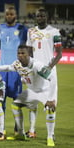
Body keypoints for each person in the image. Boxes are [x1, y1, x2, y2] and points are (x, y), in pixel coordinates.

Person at [0, 45, 57, 146]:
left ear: (29, 54)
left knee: (50, 108)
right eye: (19, 53)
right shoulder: (17, 64)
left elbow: (52, 78)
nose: (20, 55)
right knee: (15, 105)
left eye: (23, 53)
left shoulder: (37, 65)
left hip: (44, 91)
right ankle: (20, 134)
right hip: (31, 91)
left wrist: (51, 98)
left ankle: (50, 136)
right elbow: (8, 67)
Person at [26, 8, 62, 146]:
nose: (40, 17)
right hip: (35, 73)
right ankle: (31, 130)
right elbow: (29, 52)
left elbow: (59, 54)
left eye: (42, 15)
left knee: (51, 105)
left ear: (47, 17)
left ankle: (50, 136)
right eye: (38, 15)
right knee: (32, 103)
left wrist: (49, 67)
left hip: (49, 74)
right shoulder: (31, 31)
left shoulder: (54, 32)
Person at [0, 6, 28, 133]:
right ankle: (1, 128)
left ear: (16, 15)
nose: (9, 16)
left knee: (17, 100)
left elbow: (26, 48)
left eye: (11, 14)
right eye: (7, 14)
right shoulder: (0, 28)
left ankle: (18, 128)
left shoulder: (22, 29)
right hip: (2, 70)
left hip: (16, 70)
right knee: (0, 99)